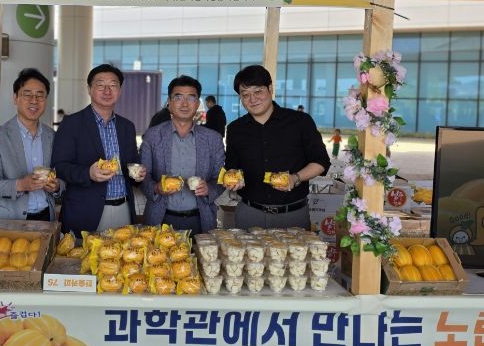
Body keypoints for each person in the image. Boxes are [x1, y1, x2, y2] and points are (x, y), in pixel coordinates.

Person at [224, 65, 330, 229]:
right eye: (245, 95)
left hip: (293, 214)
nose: (252, 99)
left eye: (258, 91)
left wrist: (295, 178)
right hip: (249, 213)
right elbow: (232, 166)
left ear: (270, 89)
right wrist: (232, 180)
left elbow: (321, 161)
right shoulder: (235, 129)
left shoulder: (300, 122)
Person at [52, 64, 145, 235]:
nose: (107, 91)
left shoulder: (127, 127)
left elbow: (132, 163)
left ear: (120, 90)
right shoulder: (71, 124)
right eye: (100, 85)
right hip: (84, 211)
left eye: (113, 85)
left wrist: (138, 173)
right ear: (89, 89)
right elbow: (59, 166)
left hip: (123, 208)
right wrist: (88, 173)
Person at [140, 76, 224, 234]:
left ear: (197, 103)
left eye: (191, 98)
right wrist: (156, 188)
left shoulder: (213, 139)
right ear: (169, 103)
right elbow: (143, 176)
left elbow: (220, 178)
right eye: (178, 97)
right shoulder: (153, 135)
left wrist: (210, 189)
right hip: (160, 218)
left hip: (201, 219)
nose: (184, 104)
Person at [0, 68, 63, 221]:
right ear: (15, 98)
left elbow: (63, 176)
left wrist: (57, 187)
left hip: (46, 218)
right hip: (7, 220)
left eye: (40, 95)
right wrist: (21, 185)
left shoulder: (53, 137)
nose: (34, 100)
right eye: (27, 94)